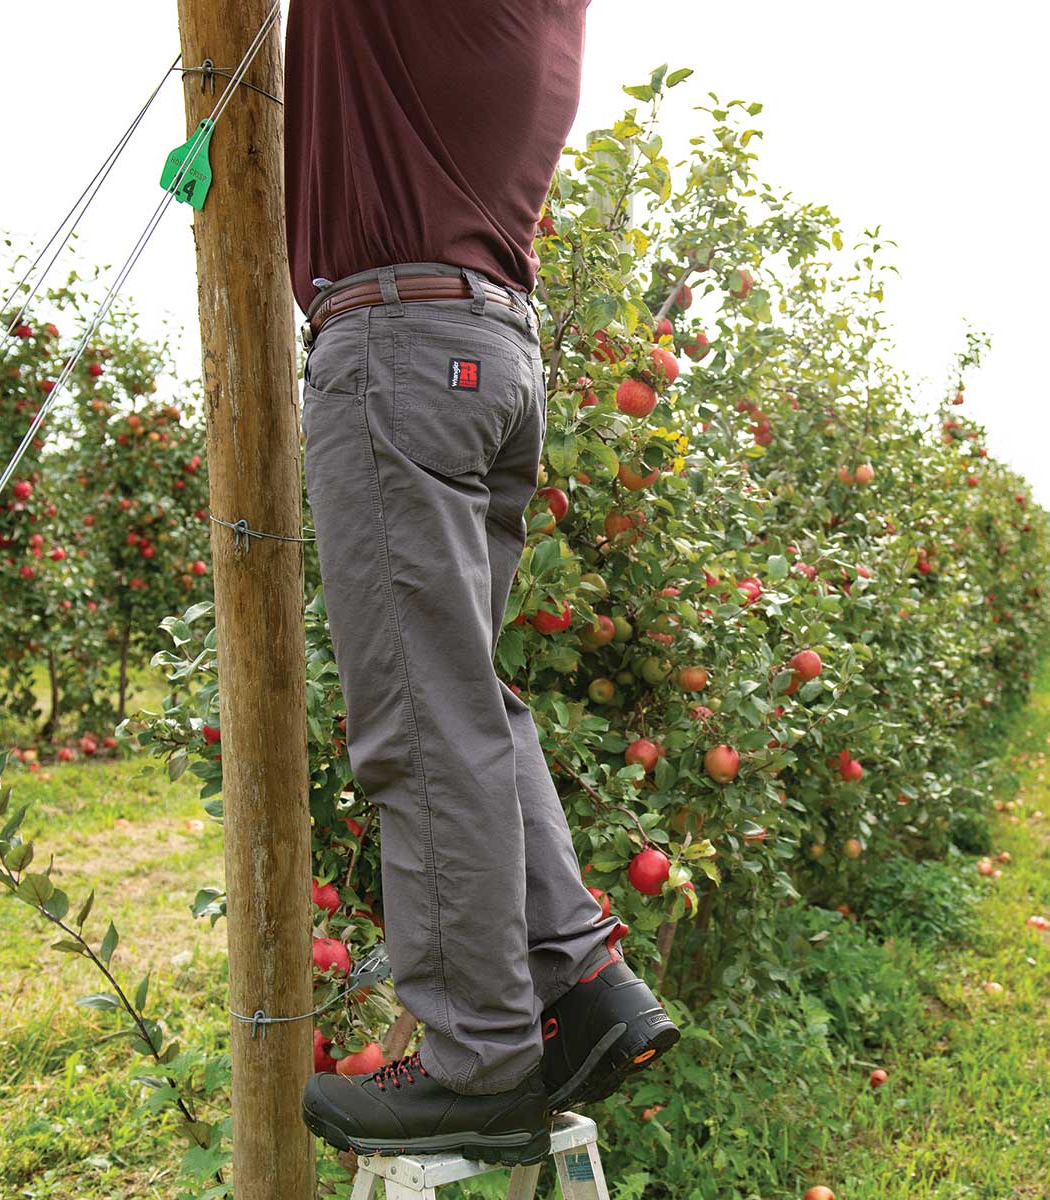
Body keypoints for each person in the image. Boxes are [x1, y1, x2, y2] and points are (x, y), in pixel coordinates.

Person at [284, 0, 679, 1167]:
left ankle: (476, 1059)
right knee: (466, 700)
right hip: (488, 353)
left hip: (401, 352)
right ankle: (582, 974)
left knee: (418, 719)